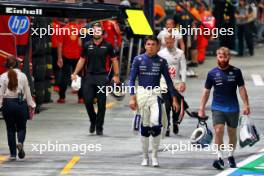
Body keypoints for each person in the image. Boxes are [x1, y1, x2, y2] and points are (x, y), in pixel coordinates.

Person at [129, 36, 180, 167]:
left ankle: (155, 156)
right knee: (145, 127)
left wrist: (174, 98)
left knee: (156, 123)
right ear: (145, 46)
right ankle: (145, 157)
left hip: (156, 94)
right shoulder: (138, 59)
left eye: (153, 44)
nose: (150, 46)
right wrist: (132, 97)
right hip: (142, 94)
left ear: (157, 46)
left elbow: (168, 81)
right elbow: (131, 79)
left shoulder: (162, 61)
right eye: (148, 44)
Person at [198, 47, 250, 170]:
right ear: (217, 57)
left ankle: (231, 155)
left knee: (232, 133)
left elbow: (242, 89)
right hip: (217, 107)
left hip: (232, 108)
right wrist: (201, 108)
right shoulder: (212, 73)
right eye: (220, 56)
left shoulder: (236, 72)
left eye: (225, 56)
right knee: (218, 130)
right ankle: (219, 157)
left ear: (229, 57)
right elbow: (206, 92)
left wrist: (246, 104)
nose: (222, 59)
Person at [71, 23, 120, 136]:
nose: (96, 32)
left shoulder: (108, 46)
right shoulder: (87, 45)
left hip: (103, 77)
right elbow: (82, 60)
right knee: (87, 101)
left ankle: (99, 126)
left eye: (98, 31)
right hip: (89, 77)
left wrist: (116, 75)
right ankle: (93, 121)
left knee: (101, 103)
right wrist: (75, 73)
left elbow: (114, 60)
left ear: (102, 33)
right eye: (94, 31)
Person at [0, 57, 36, 161]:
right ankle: (20, 142)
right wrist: (32, 104)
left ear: (6, 66)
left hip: (8, 104)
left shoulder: (2, 76)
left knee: (10, 129)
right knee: (21, 127)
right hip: (21, 104)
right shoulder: (23, 76)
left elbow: (0, 93)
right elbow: (27, 92)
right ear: (18, 65)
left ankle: (12, 154)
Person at [158, 34, 187, 136]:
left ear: (174, 41)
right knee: (166, 105)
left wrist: (183, 81)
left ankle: (175, 122)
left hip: (176, 83)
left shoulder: (180, 53)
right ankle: (167, 126)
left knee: (176, 105)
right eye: (167, 42)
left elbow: (183, 68)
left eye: (171, 42)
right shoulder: (160, 54)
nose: (169, 44)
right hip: (164, 83)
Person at [57, 19, 84, 104]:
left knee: (64, 77)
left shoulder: (63, 29)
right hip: (78, 56)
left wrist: (59, 58)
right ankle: (80, 98)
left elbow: (59, 45)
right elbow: (82, 44)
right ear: (77, 20)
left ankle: (62, 98)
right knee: (78, 76)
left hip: (66, 56)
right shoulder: (80, 29)